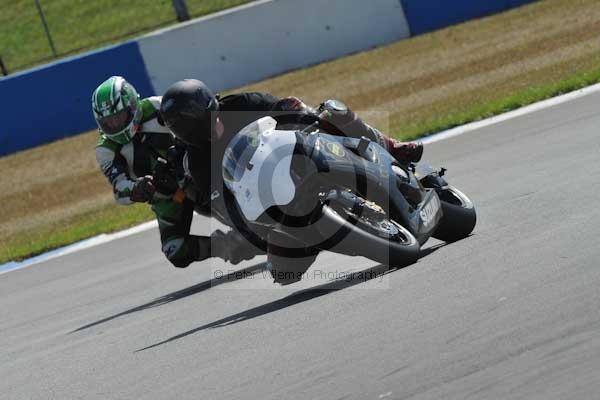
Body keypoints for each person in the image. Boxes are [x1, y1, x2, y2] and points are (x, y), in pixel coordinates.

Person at [158, 79, 424, 283]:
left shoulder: (241, 104)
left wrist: (297, 112)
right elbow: (225, 203)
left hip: (298, 157)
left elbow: (284, 110)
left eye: (189, 122)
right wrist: (253, 232)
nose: (187, 132)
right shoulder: (197, 162)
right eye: (179, 128)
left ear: (208, 108)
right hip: (276, 206)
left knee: (332, 111)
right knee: (282, 272)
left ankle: (392, 146)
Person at [92, 76, 245, 268]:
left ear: (132, 105)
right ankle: (229, 245)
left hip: (193, 167)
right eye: (109, 122)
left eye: (118, 117)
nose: (115, 125)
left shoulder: (158, 107)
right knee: (176, 250)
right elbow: (118, 189)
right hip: (165, 195)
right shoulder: (105, 150)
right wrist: (136, 189)